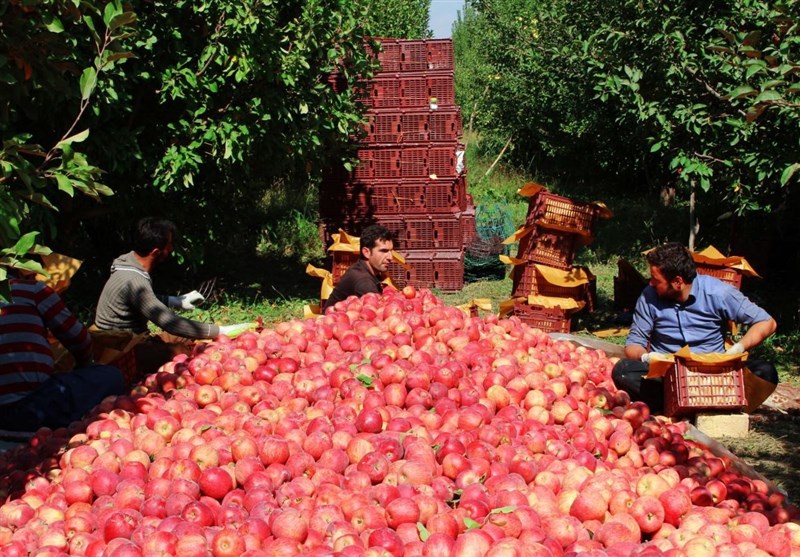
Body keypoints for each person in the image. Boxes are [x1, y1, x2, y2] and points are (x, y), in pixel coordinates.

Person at [611, 242, 778, 414]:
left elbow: (767, 322)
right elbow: (633, 343)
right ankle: (699, 406)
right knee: (623, 370)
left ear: (677, 282)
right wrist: (646, 356)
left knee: (765, 372)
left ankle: (701, 404)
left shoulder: (717, 292)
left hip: (715, 377)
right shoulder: (649, 296)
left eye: (656, 279)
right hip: (668, 378)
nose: (651, 283)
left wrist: (738, 348)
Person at [94, 218, 252, 374]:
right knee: (183, 351)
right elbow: (171, 324)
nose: (171, 249)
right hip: (123, 349)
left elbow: (139, 299)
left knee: (188, 338)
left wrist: (178, 301)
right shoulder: (135, 280)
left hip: (133, 338)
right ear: (156, 252)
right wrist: (221, 331)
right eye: (169, 244)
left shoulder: (127, 262)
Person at [0, 276, 125, 432]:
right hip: (33, 407)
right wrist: (84, 366)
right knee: (112, 376)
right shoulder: (31, 290)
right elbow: (79, 339)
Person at [323, 224, 394, 311]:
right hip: (334, 322)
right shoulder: (363, 281)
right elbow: (380, 313)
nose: (390, 257)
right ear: (366, 252)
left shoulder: (361, 269)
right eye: (384, 251)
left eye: (391, 251)